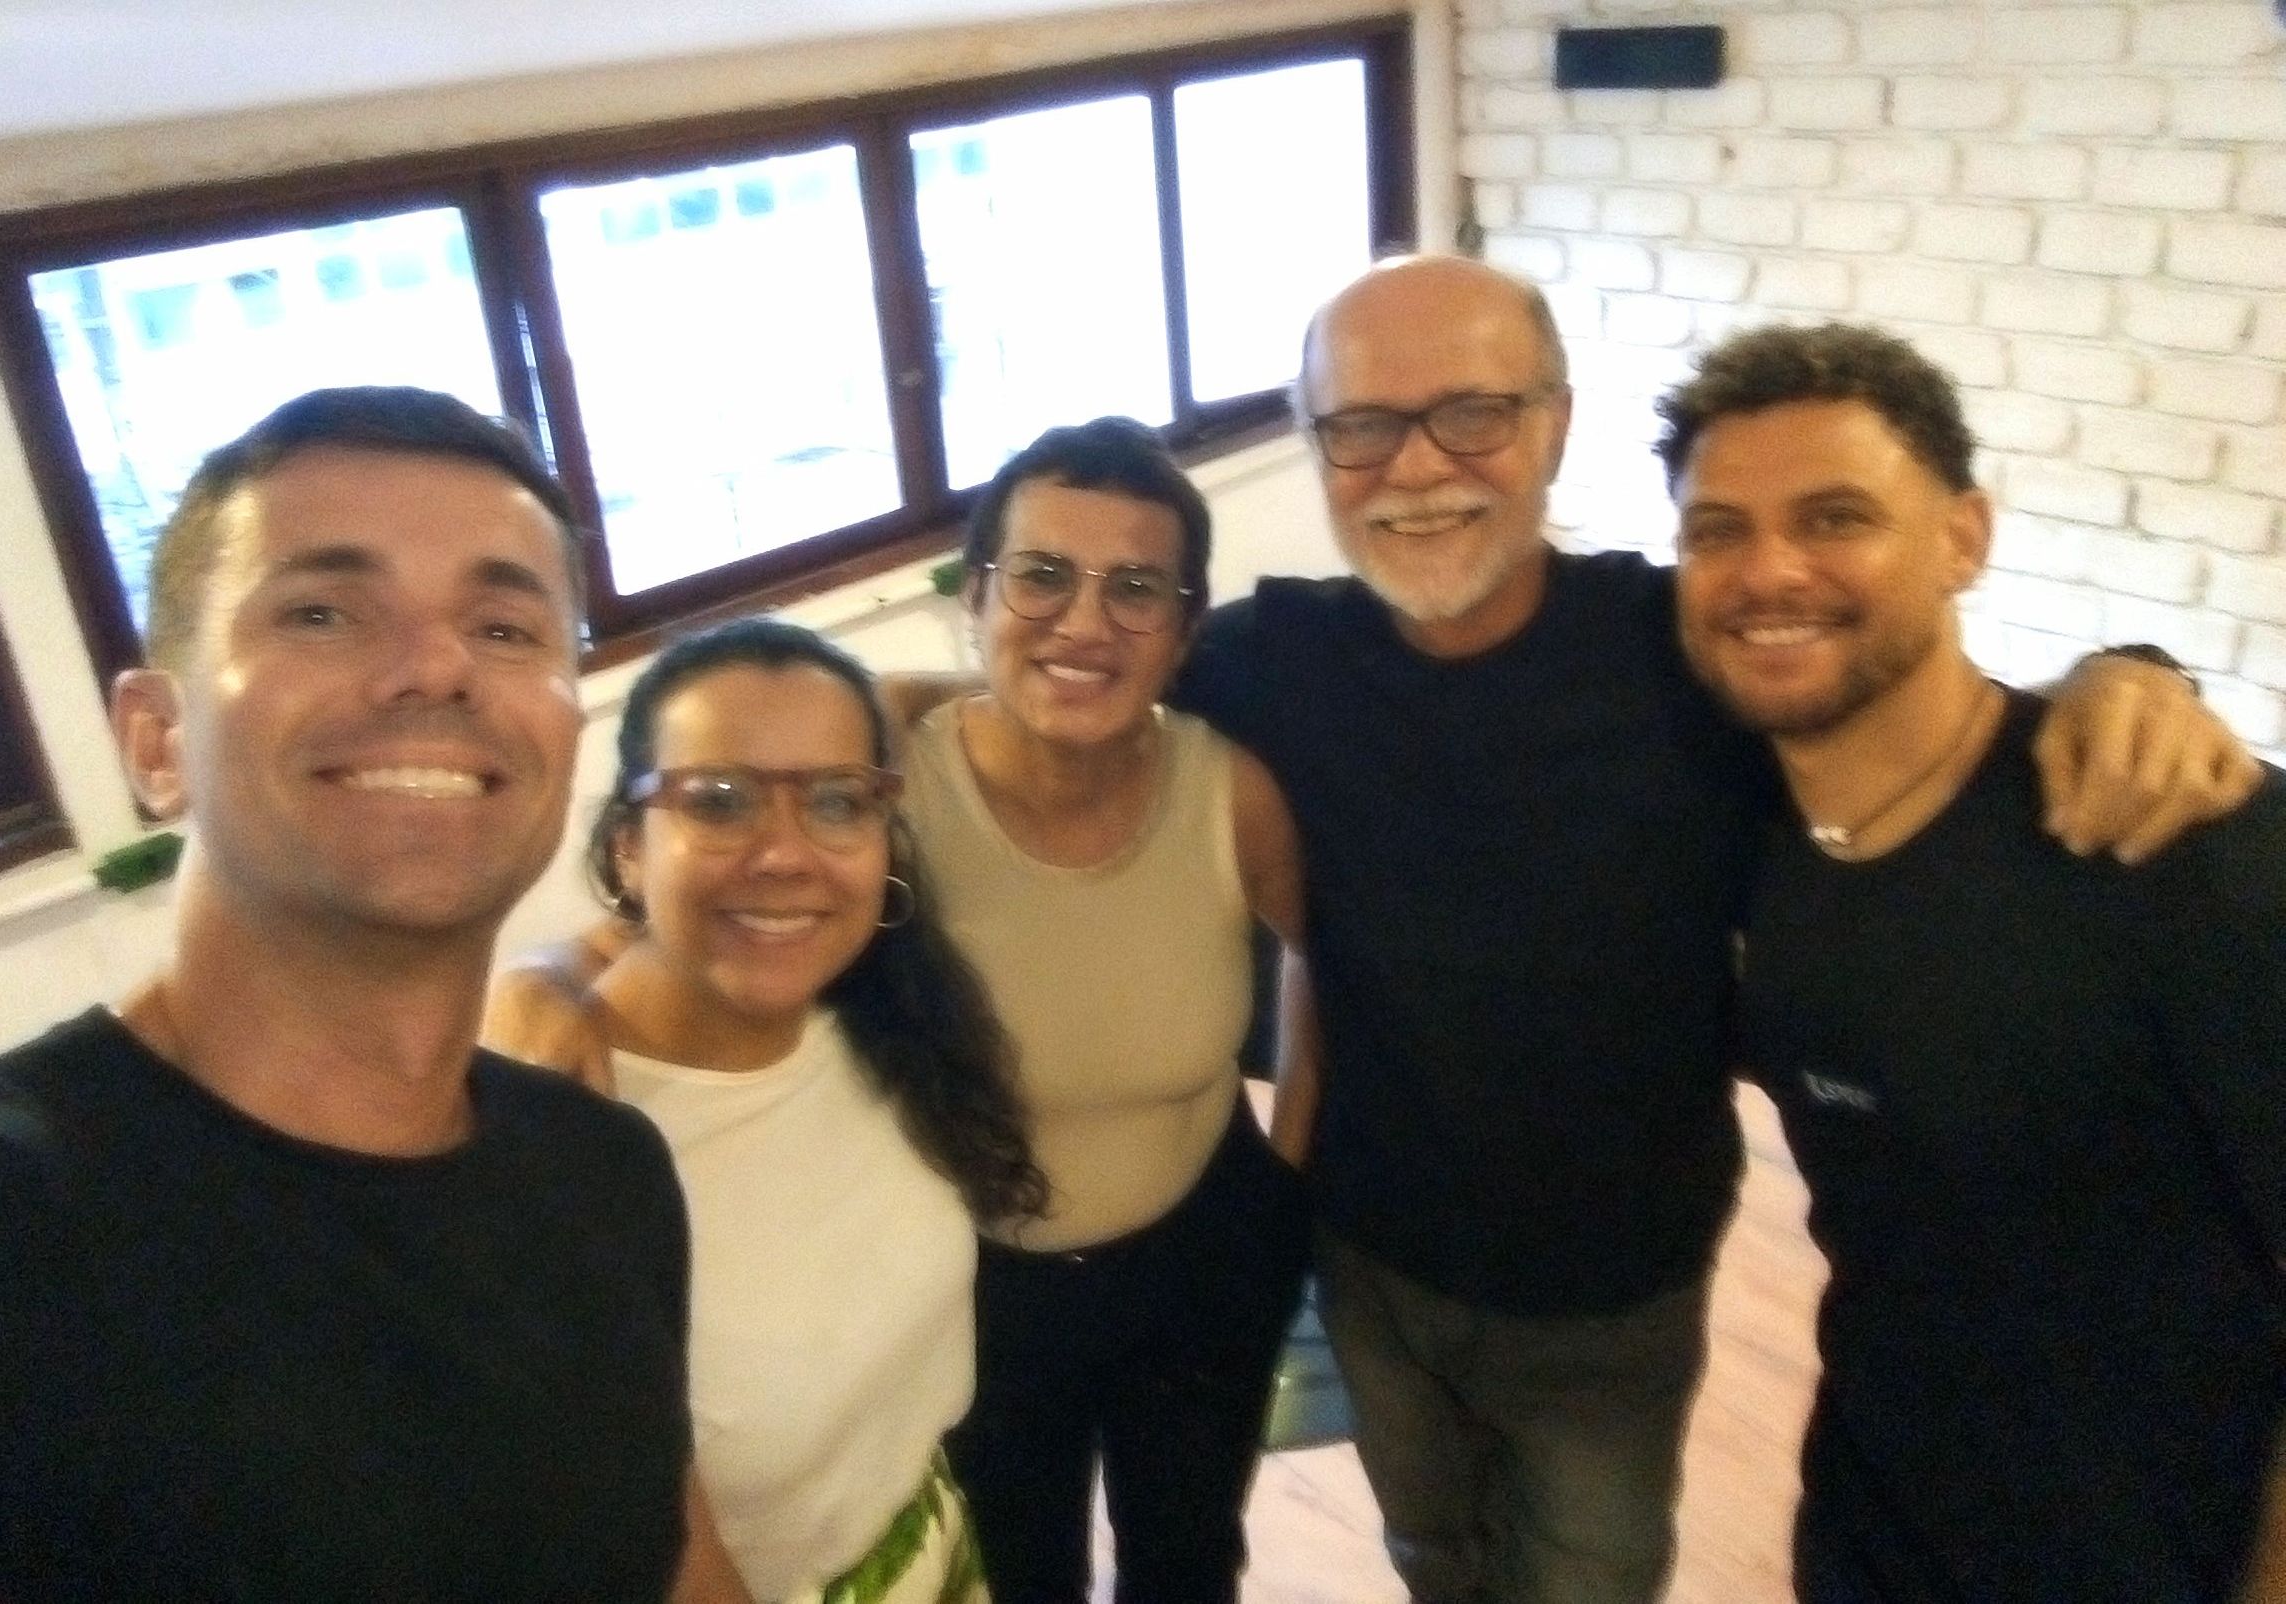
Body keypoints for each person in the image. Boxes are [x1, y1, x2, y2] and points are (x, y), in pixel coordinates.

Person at [1155, 252, 2262, 1604]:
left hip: (1614, 1295)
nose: (1417, 464)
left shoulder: (1677, 652)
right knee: (1431, 1553)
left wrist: (2128, 674)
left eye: (1473, 412)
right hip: (1378, 1263)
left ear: (1555, 424)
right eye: (1362, 425)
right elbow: (1061, 687)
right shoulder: (1268, 658)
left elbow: (1904, 710)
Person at [0, 387, 691, 1602]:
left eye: (505, 627)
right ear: (155, 741)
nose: (437, 666)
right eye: (322, 611)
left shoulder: (606, 1173)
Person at [1659, 321, 2286, 1604]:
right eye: (1718, 529)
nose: (1768, 570)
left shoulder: (2173, 835)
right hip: (1871, 1534)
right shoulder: (1741, 838)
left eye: (1835, 516)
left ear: (1963, 538)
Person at [502, 617, 1046, 1604]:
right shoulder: (565, 1126)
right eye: (719, 800)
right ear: (629, 847)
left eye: (837, 802)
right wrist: (535, 979)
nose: (785, 853)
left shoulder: (878, 1020)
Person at [904, 418, 1311, 1602]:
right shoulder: (884, 782)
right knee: (1018, 1573)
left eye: (1136, 588)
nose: (1085, 622)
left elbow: (1325, 954)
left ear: (1184, 630)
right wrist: (567, 971)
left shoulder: (1229, 789)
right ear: (976, 596)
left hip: (1202, 1260)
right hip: (971, 1287)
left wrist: (1286, 1166)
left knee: (1186, 1560)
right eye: (1042, 574)